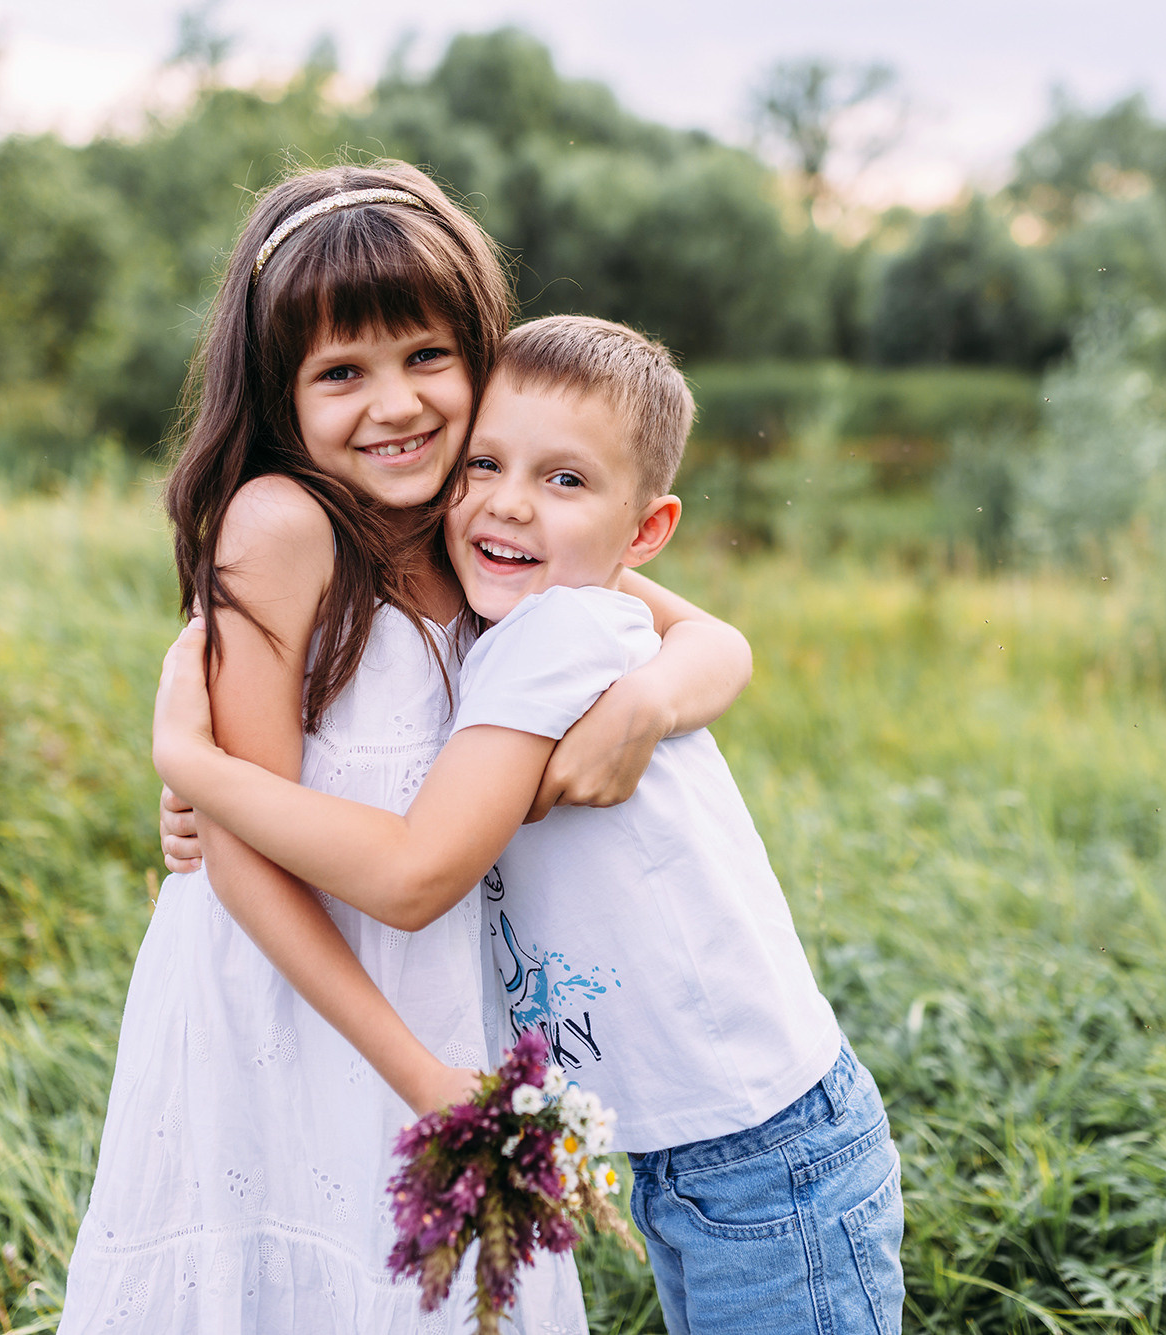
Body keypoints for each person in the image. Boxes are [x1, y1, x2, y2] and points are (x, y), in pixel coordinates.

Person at [61, 169, 753, 1333]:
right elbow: (237, 855)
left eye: (426, 356)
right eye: (341, 373)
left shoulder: (476, 526)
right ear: (280, 394)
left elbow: (718, 646)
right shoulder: (282, 527)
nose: (394, 406)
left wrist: (642, 705)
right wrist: (421, 1077)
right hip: (290, 1003)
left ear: (480, 355)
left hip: (435, 984)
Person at [151, 316, 907, 1334]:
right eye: (485, 464)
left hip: (765, 1152)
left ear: (643, 531)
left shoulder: (554, 625)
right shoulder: (510, 584)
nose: (509, 501)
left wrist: (198, 766)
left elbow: (415, 874)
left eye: (564, 479)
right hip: (699, 1150)